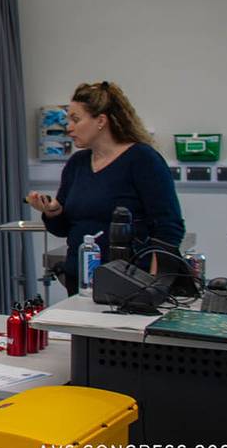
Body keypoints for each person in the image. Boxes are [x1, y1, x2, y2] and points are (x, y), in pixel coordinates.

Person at [27, 82, 184, 295]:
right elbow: (63, 229)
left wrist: (154, 285)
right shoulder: (77, 164)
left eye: (75, 119)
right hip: (79, 281)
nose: (69, 128)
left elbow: (169, 227)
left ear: (101, 121)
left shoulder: (142, 159)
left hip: (130, 283)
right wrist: (52, 212)